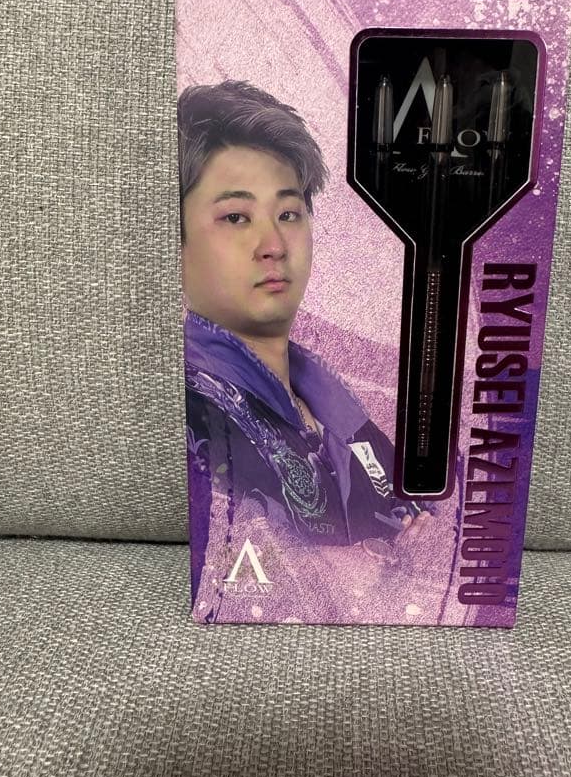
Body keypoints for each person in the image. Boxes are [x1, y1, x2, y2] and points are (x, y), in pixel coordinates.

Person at [178, 79, 430, 603]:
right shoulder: (196, 414)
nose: (273, 244)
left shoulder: (332, 403)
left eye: (288, 214)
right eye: (236, 217)